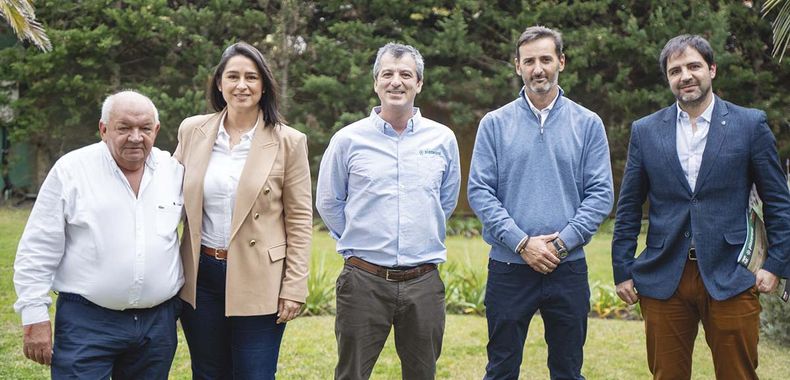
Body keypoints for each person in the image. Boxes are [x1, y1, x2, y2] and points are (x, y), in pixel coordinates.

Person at [611, 34, 790, 380]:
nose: (685, 76)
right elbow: (629, 206)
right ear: (668, 79)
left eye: (693, 66)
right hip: (665, 276)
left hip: (732, 272)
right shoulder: (645, 131)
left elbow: (779, 201)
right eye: (675, 70)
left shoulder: (749, 125)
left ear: (712, 69)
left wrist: (777, 263)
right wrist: (623, 268)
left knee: (738, 374)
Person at [468, 26, 614, 380]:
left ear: (561, 62)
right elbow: (480, 191)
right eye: (529, 61)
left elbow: (600, 194)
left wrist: (561, 244)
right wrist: (521, 243)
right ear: (517, 66)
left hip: (568, 268)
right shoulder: (494, 124)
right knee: (501, 369)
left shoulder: (588, 123)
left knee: (568, 370)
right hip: (508, 267)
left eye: (546, 59)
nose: (538, 69)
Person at [13, 90, 184, 379]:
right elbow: (38, 247)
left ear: (156, 130)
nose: (135, 137)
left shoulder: (173, 171)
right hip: (87, 321)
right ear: (103, 129)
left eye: (144, 128)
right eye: (124, 128)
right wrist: (34, 316)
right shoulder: (72, 170)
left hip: (157, 325)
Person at [316, 42, 461, 380]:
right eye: (388, 74)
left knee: (422, 374)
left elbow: (445, 201)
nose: (397, 81)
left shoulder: (442, 139)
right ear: (376, 82)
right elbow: (329, 202)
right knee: (351, 373)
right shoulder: (347, 140)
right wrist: (361, 239)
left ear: (419, 83)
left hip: (423, 281)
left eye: (406, 74)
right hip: (363, 280)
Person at [175, 41, 312, 379]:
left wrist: (293, 287)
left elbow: (298, 220)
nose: (242, 85)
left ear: (264, 85)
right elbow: (168, 199)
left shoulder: (288, 141)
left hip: (260, 278)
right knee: (208, 373)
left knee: (254, 373)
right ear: (219, 83)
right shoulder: (193, 130)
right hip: (202, 275)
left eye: (251, 77)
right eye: (232, 76)